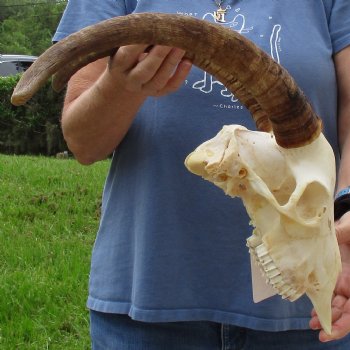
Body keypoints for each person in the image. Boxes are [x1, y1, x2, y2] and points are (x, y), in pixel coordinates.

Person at [53, 1, 350, 349]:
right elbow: (83, 143)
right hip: (147, 304)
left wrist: (347, 210)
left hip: (312, 303)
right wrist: (120, 86)